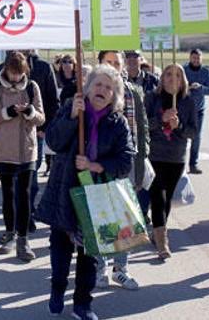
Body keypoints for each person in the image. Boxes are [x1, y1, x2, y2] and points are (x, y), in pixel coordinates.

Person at [36, 65, 134, 319]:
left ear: (115, 95)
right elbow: (53, 142)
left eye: (109, 88)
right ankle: (57, 290)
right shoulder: (72, 107)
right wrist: (71, 118)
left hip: (96, 197)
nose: (102, 90)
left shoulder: (118, 122)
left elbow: (126, 162)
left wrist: (95, 165)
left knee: (89, 255)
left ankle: (82, 304)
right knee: (60, 250)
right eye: (98, 85)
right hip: (65, 191)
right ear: (88, 87)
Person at [94, 50, 149, 290]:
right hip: (98, 166)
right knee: (101, 218)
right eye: (109, 62)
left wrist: (139, 164)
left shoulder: (133, 90)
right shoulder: (92, 90)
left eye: (117, 62)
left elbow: (141, 128)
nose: (114, 66)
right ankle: (99, 268)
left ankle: (121, 268)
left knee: (125, 218)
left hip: (125, 164)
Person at [0, 51, 45, 261]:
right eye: (12, 73)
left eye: (19, 74)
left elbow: (41, 117)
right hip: (3, 149)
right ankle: (10, 233)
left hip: (27, 149)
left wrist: (29, 112)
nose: (15, 77)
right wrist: (6, 113)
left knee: (25, 194)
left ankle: (24, 238)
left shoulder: (32, 87)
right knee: (8, 194)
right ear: (5, 70)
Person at [0, 50, 60, 233]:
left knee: (29, 183)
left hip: (32, 134)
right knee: (11, 186)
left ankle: (27, 215)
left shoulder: (43, 68)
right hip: (5, 140)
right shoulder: (2, 70)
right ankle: (16, 221)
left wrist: (44, 127)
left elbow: (51, 100)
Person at [145, 63, 198, 259]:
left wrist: (179, 126)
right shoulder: (152, 98)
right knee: (157, 197)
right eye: (168, 74)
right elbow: (142, 126)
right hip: (154, 155)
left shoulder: (188, 102)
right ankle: (162, 243)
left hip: (176, 157)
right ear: (162, 77)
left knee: (166, 198)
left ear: (182, 79)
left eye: (177, 75)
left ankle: (158, 231)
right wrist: (160, 120)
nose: (172, 78)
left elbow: (193, 131)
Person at [183, 49, 209, 174]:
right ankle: (179, 163)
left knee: (196, 138)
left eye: (198, 58)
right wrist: (187, 87)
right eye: (194, 58)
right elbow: (177, 86)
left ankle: (193, 164)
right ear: (190, 58)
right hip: (184, 109)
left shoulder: (206, 72)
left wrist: (200, 87)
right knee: (181, 136)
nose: (196, 60)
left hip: (199, 110)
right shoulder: (184, 70)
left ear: (201, 59)